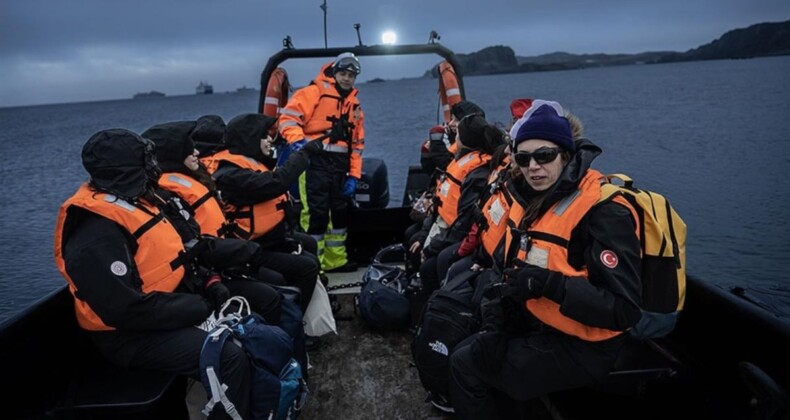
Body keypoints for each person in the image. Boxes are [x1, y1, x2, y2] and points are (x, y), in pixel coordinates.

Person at [54, 129, 270, 419]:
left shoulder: (136, 200)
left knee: (254, 327)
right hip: (127, 336)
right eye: (146, 159)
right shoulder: (95, 233)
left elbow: (178, 255)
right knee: (228, 356)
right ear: (127, 168)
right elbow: (125, 310)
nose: (154, 166)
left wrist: (210, 282)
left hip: (165, 308)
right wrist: (199, 308)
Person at [447, 101, 644, 418]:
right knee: (465, 344)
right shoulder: (533, 198)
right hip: (541, 323)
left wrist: (551, 284)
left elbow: (624, 310)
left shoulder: (604, 212)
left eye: (545, 155)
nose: (533, 166)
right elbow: (511, 271)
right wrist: (496, 326)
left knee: (464, 366)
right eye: (523, 158)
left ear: (565, 154)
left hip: (586, 345)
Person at [210, 113, 324, 311]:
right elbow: (274, 185)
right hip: (250, 248)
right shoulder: (230, 175)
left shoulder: (252, 163)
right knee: (307, 267)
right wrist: (303, 154)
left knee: (309, 245)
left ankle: (305, 311)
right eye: (264, 136)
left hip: (269, 239)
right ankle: (295, 320)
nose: (270, 140)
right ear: (250, 139)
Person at [277, 52, 365, 273]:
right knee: (315, 214)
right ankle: (313, 265)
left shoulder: (354, 107)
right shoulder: (313, 92)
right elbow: (287, 119)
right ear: (334, 73)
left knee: (339, 214)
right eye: (343, 73)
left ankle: (336, 261)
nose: (347, 79)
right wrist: (299, 143)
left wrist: (354, 175)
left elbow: (357, 146)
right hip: (314, 163)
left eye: (351, 75)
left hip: (340, 168)